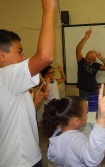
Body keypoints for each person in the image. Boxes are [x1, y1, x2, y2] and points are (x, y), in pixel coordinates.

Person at [0, 0, 56, 166]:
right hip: (21, 161)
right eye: (19, 52)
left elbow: (10, 114)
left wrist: (33, 103)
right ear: (1, 56)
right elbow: (45, 56)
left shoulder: (8, 82)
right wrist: (48, 9)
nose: (24, 57)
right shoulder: (6, 75)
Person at [41, 84, 105, 166]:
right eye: (86, 113)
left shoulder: (58, 133)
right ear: (76, 121)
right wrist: (101, 119)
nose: (87, 115)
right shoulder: (74, 140)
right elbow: (92, 158)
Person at [76, 27, 105, 100]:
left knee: (96, 108)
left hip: (94, 90)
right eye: (87, 57)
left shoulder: (96, 65)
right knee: (85, 108)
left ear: (94, 60)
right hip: (83, 91)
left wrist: (102, 58)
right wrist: (86, 37)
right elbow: (78, 49)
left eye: (90, 59)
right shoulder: (81, 61)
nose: (87, 59)